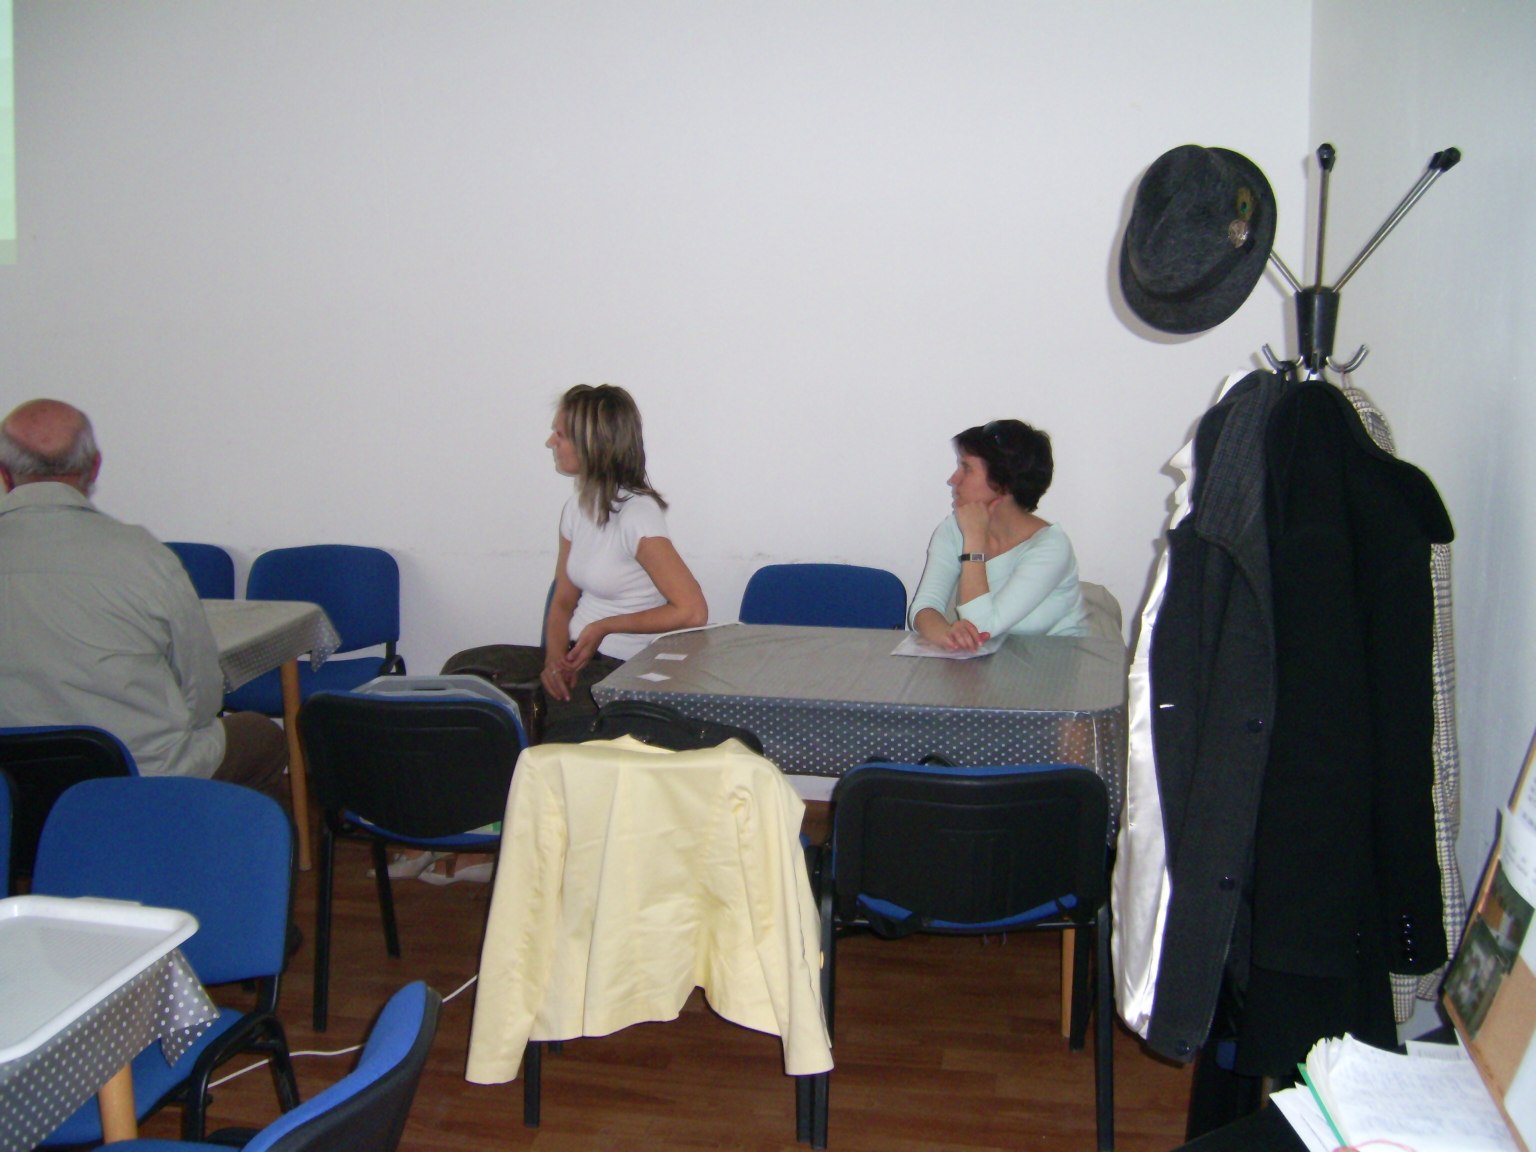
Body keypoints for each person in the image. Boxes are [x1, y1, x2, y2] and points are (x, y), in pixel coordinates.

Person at [421, 383, 708, 884]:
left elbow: (691, 609)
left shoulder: (637, 514)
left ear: (593, 443)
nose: (551, 442)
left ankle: (529, 858)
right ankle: (467, 829)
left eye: (560, 434)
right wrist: (554, 659)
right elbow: (561, 601)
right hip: (578, 652)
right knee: (462, 675)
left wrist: (604, 626)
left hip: (622, 664)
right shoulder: (577, 508)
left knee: (563, 732)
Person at [0, 399, 289, 803]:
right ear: (94, 467)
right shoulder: (143, 556)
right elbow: (202, 692)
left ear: (4, 473)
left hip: (13, 781)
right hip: (137, 774)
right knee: (262, 735)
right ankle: (214, 838)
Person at [909, 418, 1089, 650]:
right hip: (990, 660)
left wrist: (974, 541)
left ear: (1004, 484)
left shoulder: (1051, 547)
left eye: (967, 469)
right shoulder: (952, 529)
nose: (953, 480)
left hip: (1054, 660)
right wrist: (947, 635)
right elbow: (924, 607)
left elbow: (982, 628)